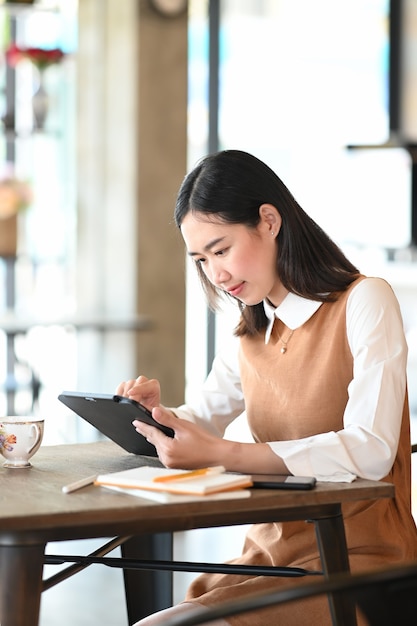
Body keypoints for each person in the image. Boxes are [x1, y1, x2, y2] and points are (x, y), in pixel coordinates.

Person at [116, 150, 417, 625]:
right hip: (267, 558)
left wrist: (223, 453)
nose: (216, 274)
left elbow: (372, 449)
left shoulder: (365, 301)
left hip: (358, 560)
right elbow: (203, 417)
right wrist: (158, 416)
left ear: (269, 221)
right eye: (201, 259)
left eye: (221, 249)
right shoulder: (251, 329)